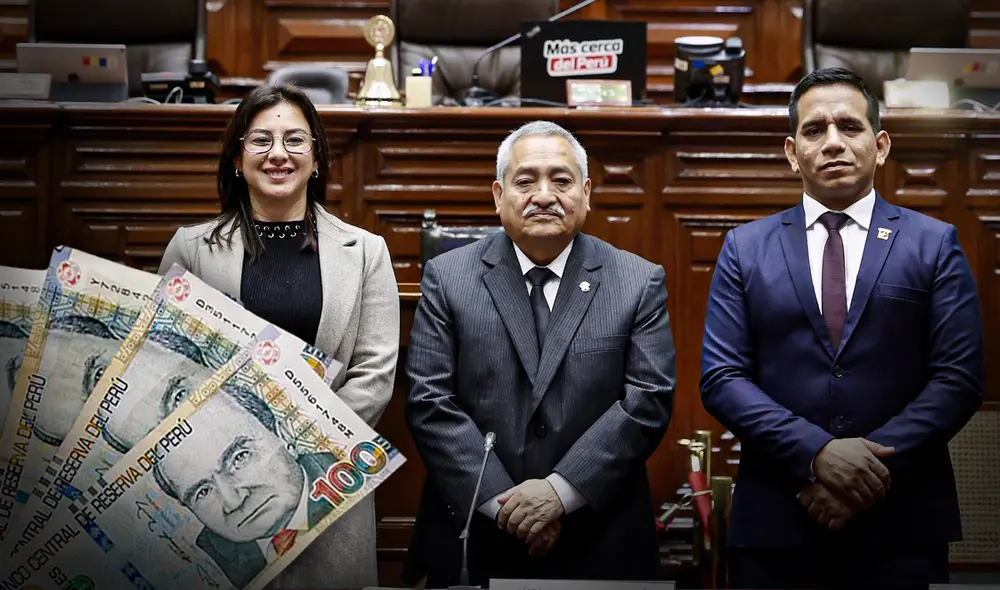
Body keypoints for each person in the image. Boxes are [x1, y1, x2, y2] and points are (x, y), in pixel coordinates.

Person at [700, 67, 984, 590]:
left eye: (850, 127)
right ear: (792, 152)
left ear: (880, 146)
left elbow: (958, 379)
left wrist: (867, 473)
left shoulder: (933, 243)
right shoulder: (745, 248)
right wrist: (817, 454)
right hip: (778, 523)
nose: (833, 143)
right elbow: (722, 379)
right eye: (814, 130)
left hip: (900, 523)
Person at [403, 120, 676, 586]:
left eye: (562, 180)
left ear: (586, 193)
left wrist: (559, 493)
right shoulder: (448, 278)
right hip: (478, 531)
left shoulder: (637, 281)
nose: (544, 195)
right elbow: (430, 402)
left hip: (599, 534)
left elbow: (648, 399)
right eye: (526, 180)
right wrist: (509, 506)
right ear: (498, 194)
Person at [158, 83, 399, 589]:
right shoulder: (190, 249)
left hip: (332, 480)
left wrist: (303, 444)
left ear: (316, 160)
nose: (278, 154)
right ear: (236, 160)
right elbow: (165, 363)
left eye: (295, 140)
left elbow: (374, 374)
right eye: (260, 141)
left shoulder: (366, 252)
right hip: (228, 485)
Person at [153, 386, 338, 589]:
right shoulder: (202, 562)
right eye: (203, 492)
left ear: (281, 436)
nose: (233, 501)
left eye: (240, 457)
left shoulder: (348, 476)